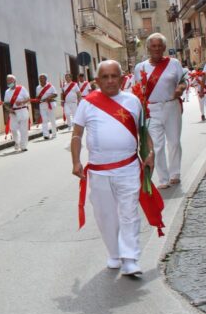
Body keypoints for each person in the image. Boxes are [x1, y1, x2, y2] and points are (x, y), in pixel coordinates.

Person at [72, 60, 157, 277]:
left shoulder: (133, 101)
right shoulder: (87, 104)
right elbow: (77, 135)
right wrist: (76, 161)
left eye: (114, 76)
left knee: (129, 213)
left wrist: (150, 152)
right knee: (105, 215)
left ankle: (130, 258)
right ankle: (114, 253)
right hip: (99, 171)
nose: (110, 81)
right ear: (97, 80)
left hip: (128, 167)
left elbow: (143, 131)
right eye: (105, 77)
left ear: (122, 78)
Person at [133, 33, 188, 188]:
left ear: (164, 48)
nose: (156, 49)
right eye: (153, 46)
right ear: (148, 48)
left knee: (174, 142)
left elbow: (183, 81)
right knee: (156, 145)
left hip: (171, 106)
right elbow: (137, 89)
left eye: (159, 46)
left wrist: (180, 88)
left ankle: (175, 173)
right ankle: (163, 179)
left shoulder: (174, 63)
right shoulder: (140, 67)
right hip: (151, 109)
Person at [2, 74, 31, 152]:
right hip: (13, 112)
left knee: (23, 129)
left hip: (22, 110)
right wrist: (9, 109)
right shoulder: (7, 92)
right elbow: (6, 103)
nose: (8, 82)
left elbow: (28, 98)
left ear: (14, 81)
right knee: (13, 129)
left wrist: (22, 102)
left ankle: (23, 146)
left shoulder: (21, 88)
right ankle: (17, 142)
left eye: (10, 80)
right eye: (7, 80)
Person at [36, 73, 58, 140]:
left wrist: (49, 97)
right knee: (44, 120)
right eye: (40, 78)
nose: (41, 79)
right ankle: (46, 135)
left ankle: (54, 133)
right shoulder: (38, 88)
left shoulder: (50, 86)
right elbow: (37, 97)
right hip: (42, 105)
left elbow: (55, 94)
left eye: (43, 78)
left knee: (52, 120)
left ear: (46, 79)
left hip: (50, 105)